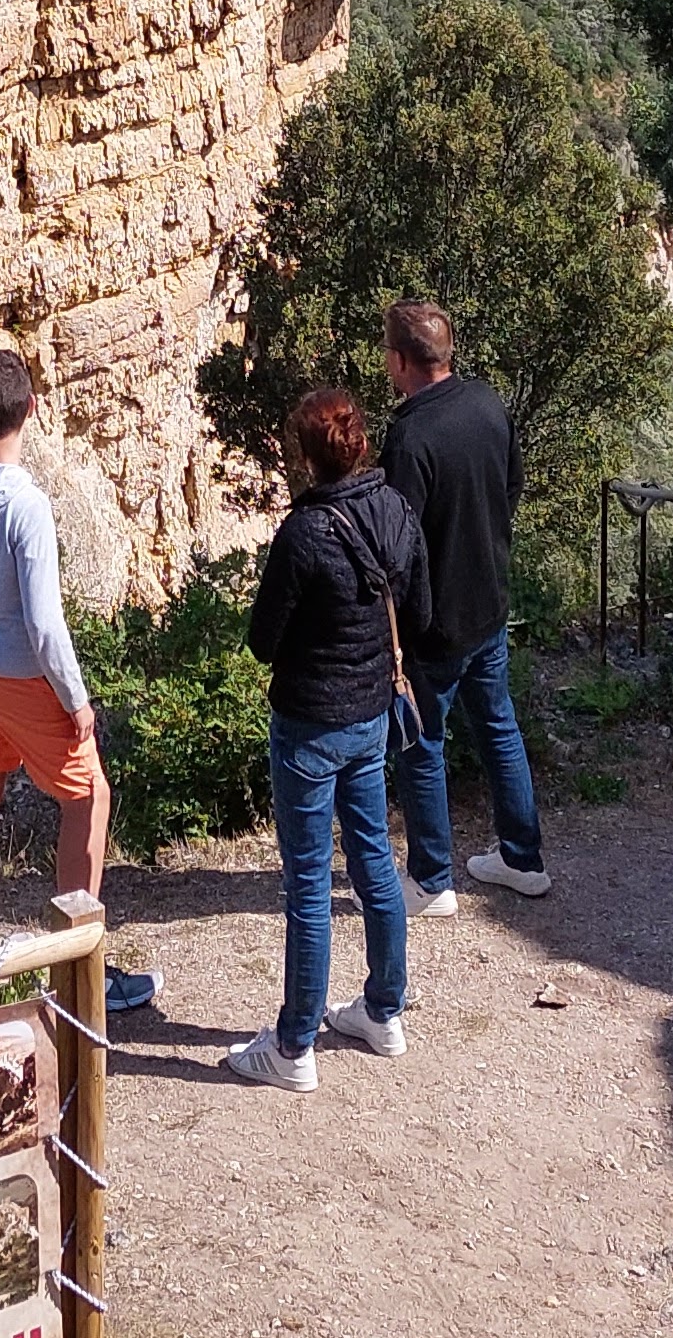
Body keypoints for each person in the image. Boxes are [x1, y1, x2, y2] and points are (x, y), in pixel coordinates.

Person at [0, 347, 155, 1017]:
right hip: (22, 674)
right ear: (33, 409)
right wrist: (77, 701)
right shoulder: (29, 506)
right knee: (88, 796)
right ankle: (79, 967)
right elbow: (44, 626)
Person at [224, 385, 429, 1090]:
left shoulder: (305, 533)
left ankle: (293, 1048)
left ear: (307, 457)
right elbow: (419, 613)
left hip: (310, 723)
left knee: (309, 884)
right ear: (361, 446)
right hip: (371, 715)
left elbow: (262, 641)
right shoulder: (395, 510)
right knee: (374, 859)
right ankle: (383, 1011)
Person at [378, 295, 549, 909]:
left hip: (434, 626)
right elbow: (511, 486)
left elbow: (395, 543)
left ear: (402, 361)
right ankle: (522, 859)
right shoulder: (487, 402)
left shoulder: (410, 436)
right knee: (498, 726)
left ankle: (431, 880)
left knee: (422, 743)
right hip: (489, 604)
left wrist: (394, 624)